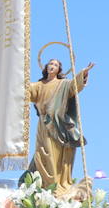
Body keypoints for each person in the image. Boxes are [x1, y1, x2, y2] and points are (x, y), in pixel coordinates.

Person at [24, 57, 93, 196]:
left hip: (58, 126)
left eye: (55, 65)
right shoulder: (39, 85)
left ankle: (57, 186)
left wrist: (83, 73)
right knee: (44, 154)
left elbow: (74, 86)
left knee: (57, 156)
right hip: (44, 125)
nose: (52, 66)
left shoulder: (63, 84)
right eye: (50, 63)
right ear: (46, 67)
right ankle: (46, 186)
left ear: (59, 69)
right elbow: (26, 92)